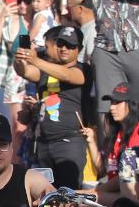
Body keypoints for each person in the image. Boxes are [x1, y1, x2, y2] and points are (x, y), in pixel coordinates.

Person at [15, 22, 88, 189]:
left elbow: (68, 75)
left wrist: (36, 60)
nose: (64, 49)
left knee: (68, 195)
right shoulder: (46, 71)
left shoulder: (83, 70)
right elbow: (24, 72)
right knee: (44, 196)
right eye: (61, 44)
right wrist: (19, 58)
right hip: (43, 143)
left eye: (70, 46)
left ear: (79, 49)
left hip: (68, 142)